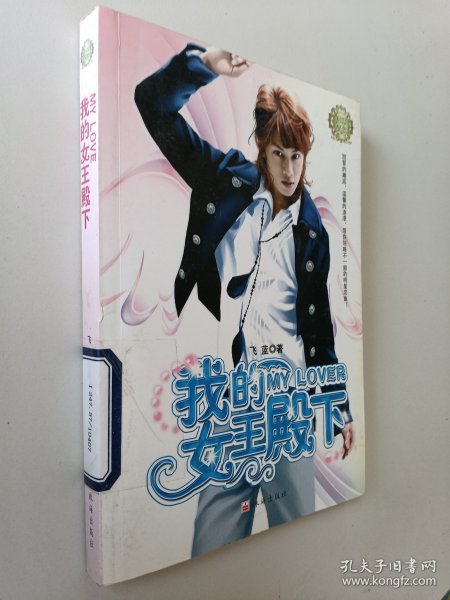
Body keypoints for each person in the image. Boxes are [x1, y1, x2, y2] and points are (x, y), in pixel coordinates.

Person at [135, 44, 354, 556]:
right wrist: (201, 66)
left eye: (297, 156)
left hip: (290, 402)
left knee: (298, 536)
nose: (289, 169)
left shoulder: (312, 234)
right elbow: (152, 104)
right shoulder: (226, 179)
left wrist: (338, 405)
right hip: (229, 400)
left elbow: (318, 331)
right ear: (261, 149)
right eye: (279, 153)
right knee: (209, 545)